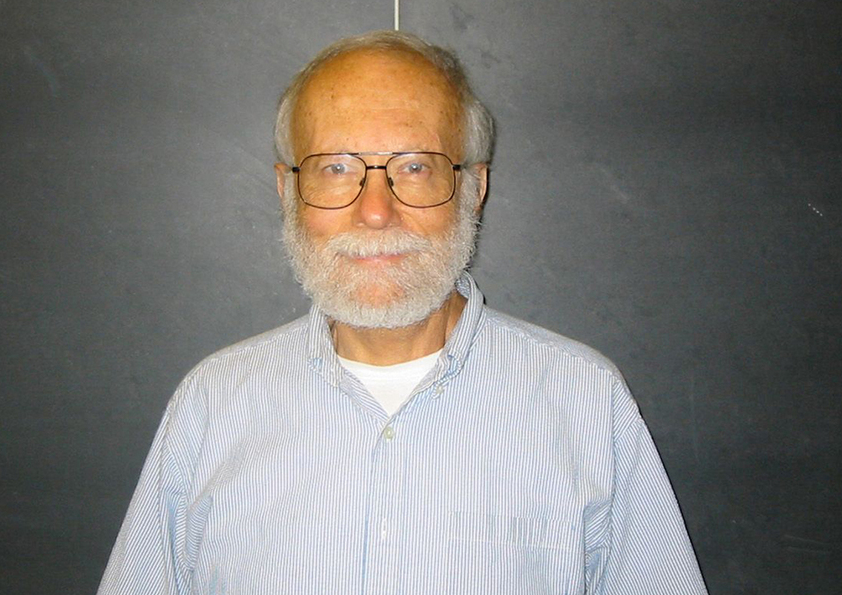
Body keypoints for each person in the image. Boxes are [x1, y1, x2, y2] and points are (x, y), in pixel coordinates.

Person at [98, 30, 708, 594]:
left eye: (414, 168)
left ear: (475, 188)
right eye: (337, 168)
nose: (375, 212)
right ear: (288, 191)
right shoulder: (212, 405)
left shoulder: (585, 400)